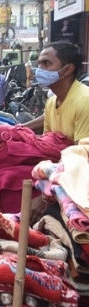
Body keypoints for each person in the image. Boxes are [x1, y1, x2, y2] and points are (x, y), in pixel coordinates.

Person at [26, 42, 89, 224]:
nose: (40, 69)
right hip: (61, 172)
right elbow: (47, 148)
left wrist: (45, 195)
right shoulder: (52, 103)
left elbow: (80, 160)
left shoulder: (84, 101)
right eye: (39, 64)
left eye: (46, 64)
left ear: (67, 69)